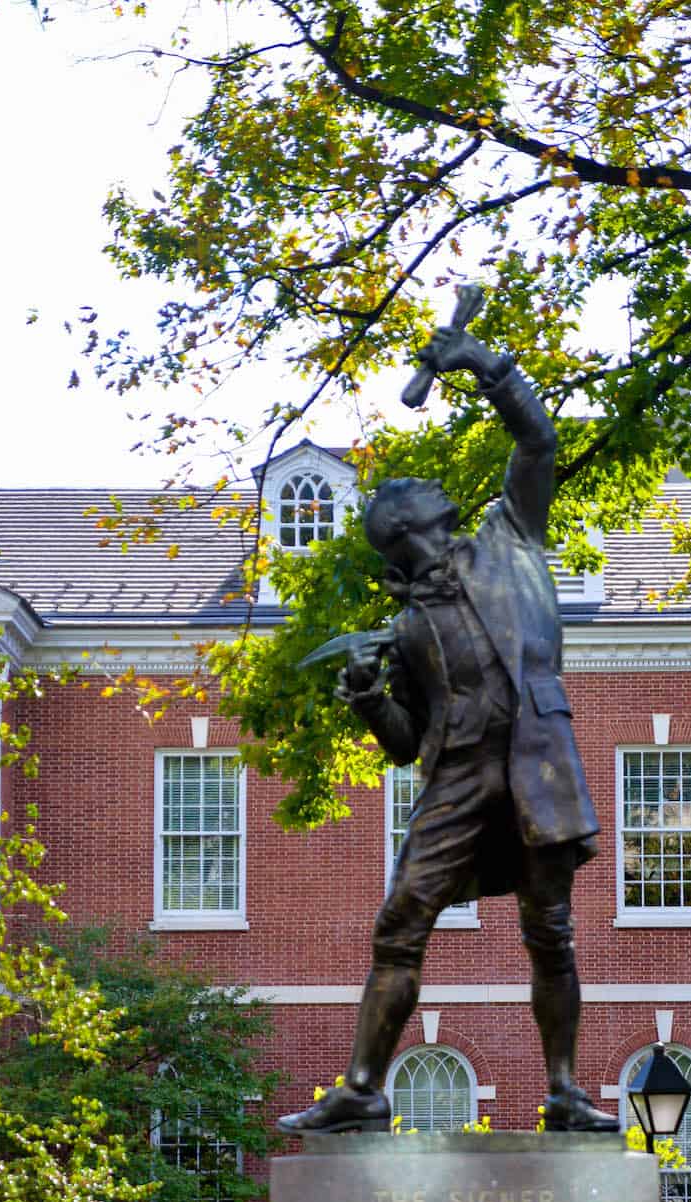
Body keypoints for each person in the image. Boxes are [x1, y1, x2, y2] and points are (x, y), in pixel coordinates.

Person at [279, 325, 617, 1135]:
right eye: (418, 485)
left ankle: (565, 1089)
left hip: (537, 756)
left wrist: (484, 365)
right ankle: (363, 1087)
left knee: (550, 930)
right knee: (401, 919)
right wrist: (366, 697)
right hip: (459, 774)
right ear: (404, 525)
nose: (432, 483)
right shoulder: (401, 629)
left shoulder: (511, 538)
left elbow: (539, 438)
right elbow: (403, 742)